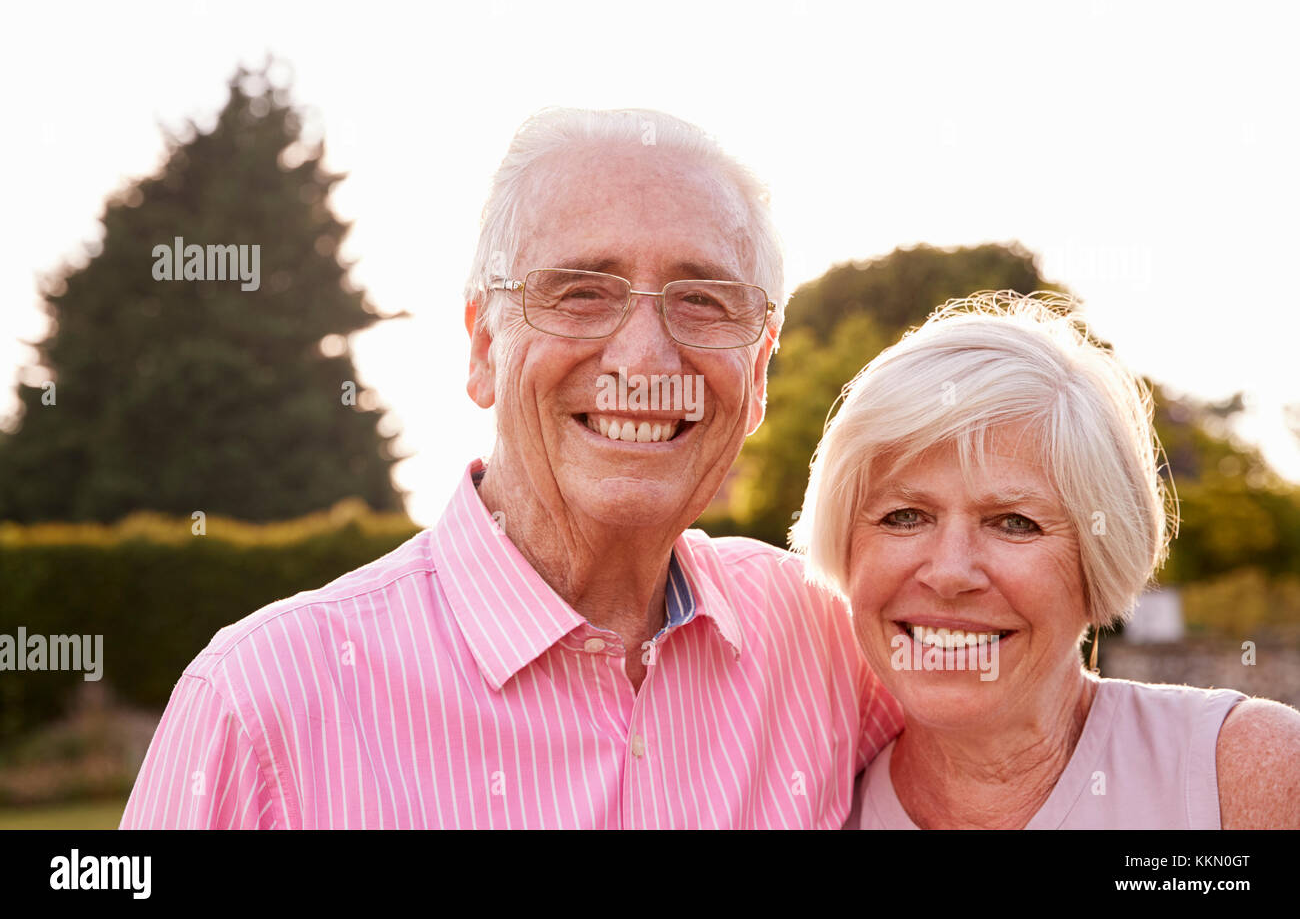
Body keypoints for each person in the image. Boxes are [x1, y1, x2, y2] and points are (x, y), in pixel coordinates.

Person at [120, 107, 902, 829]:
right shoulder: (260, 702)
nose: (643, 358)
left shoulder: (826, 637)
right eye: (581, 292)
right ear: (484, 347)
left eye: (702, 299)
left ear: (759, 371)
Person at [791, 292, 1300, 829]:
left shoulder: (1246, 778)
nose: (949, 572)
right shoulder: (802, 812)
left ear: (1099, 558)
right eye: (903, 515)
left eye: (1014, 522)